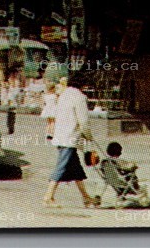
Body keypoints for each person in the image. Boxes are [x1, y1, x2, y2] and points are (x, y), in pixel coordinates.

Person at [43, 69, 97, 209]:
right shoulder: (79, 97)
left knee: (76, 170)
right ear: (82, 84)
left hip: (60, 136)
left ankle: (86, 198)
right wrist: (88, 135)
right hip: (70, 138)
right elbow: (83, 121)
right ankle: (48, 197)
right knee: (61, 167)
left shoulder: (64, 95)